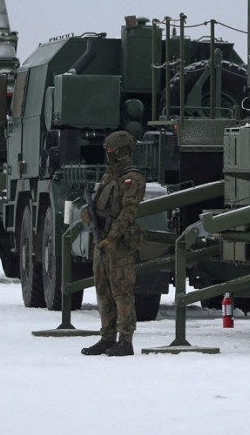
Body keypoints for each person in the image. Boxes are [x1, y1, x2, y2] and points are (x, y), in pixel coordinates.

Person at [81, 130, 146, 357]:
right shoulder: (110, 175)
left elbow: (128, 211)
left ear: (121, 151)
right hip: (103, 241)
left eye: (112, 151)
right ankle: (107, 337)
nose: (108, 154)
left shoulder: (132, 178)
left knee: (121, 292)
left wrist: (112, 238)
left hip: (118, 244)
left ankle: (125, 340)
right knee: (103, 291)